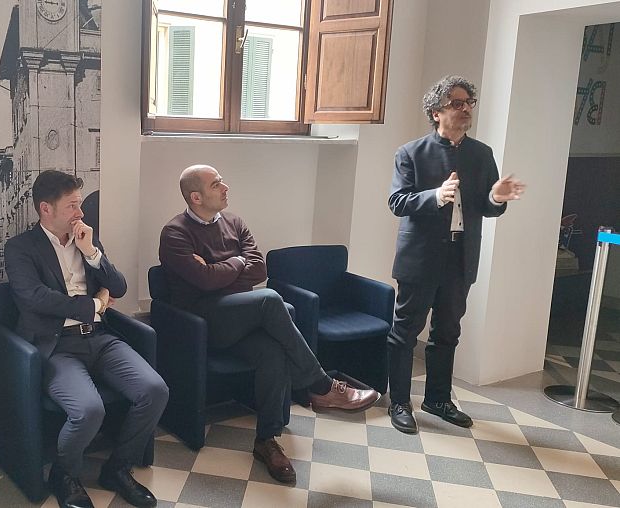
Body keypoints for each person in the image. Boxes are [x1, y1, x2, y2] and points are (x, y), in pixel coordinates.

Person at [158, 165, 380, 485]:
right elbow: (204, 281)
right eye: (216, 184)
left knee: (273, 351)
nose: (225, 187)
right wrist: (237, 263)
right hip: (202, 325)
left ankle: (267, 440)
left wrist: (220, 269)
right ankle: (320, 386)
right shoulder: (175, 233)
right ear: (196, 197)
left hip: (243, 316)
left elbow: (259, 269)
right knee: (272, 300)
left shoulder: (234, 222)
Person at [4, 170, 168, 508]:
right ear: (46, 208)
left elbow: (119, 287)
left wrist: (91, 252)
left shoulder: (86, 239)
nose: (80, 213)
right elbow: (35, 298)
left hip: (100, 338)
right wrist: (95, 303)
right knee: (89, 410)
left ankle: (118, 468)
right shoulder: (20, 248)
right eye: (72, 206)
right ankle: (64, 474)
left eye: (79, 205)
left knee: (155, 390)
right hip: (56, 346)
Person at [386, 75, 526, 434]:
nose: (466, 110)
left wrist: (496, 197)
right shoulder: (410, 153)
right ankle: (399, 402)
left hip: (461, 257)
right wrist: (435, 196)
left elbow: (487, 207)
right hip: (420, 258)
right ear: (436, 112)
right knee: (405, 332)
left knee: (447, 332)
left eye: (469, 103)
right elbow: (397, 202)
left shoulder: (482, 154)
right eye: (457, 103)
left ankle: (437, 399)